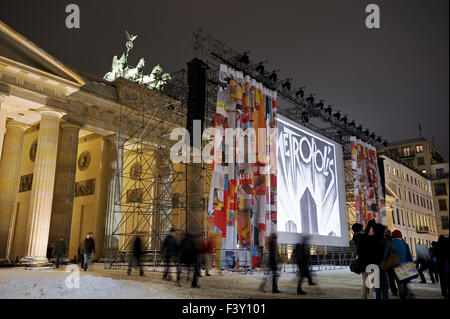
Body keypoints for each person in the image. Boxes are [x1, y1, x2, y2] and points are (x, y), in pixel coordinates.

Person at [383, 230, 413, 299]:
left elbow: (385, 256)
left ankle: (402, 294)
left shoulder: (390, 243)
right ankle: (407, 293)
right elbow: (410, 256)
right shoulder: (405, 244)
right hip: (405, 265)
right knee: (405, 280)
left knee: (399, 281)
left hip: (395, 265)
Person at [383, 229, 398, 297]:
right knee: (398, 277)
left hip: (389, 262)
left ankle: (394, 291)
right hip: (397, 261)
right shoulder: (393, 240)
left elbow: (385, 253)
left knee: (391, 278)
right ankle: (401, 290)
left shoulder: (385, 241)